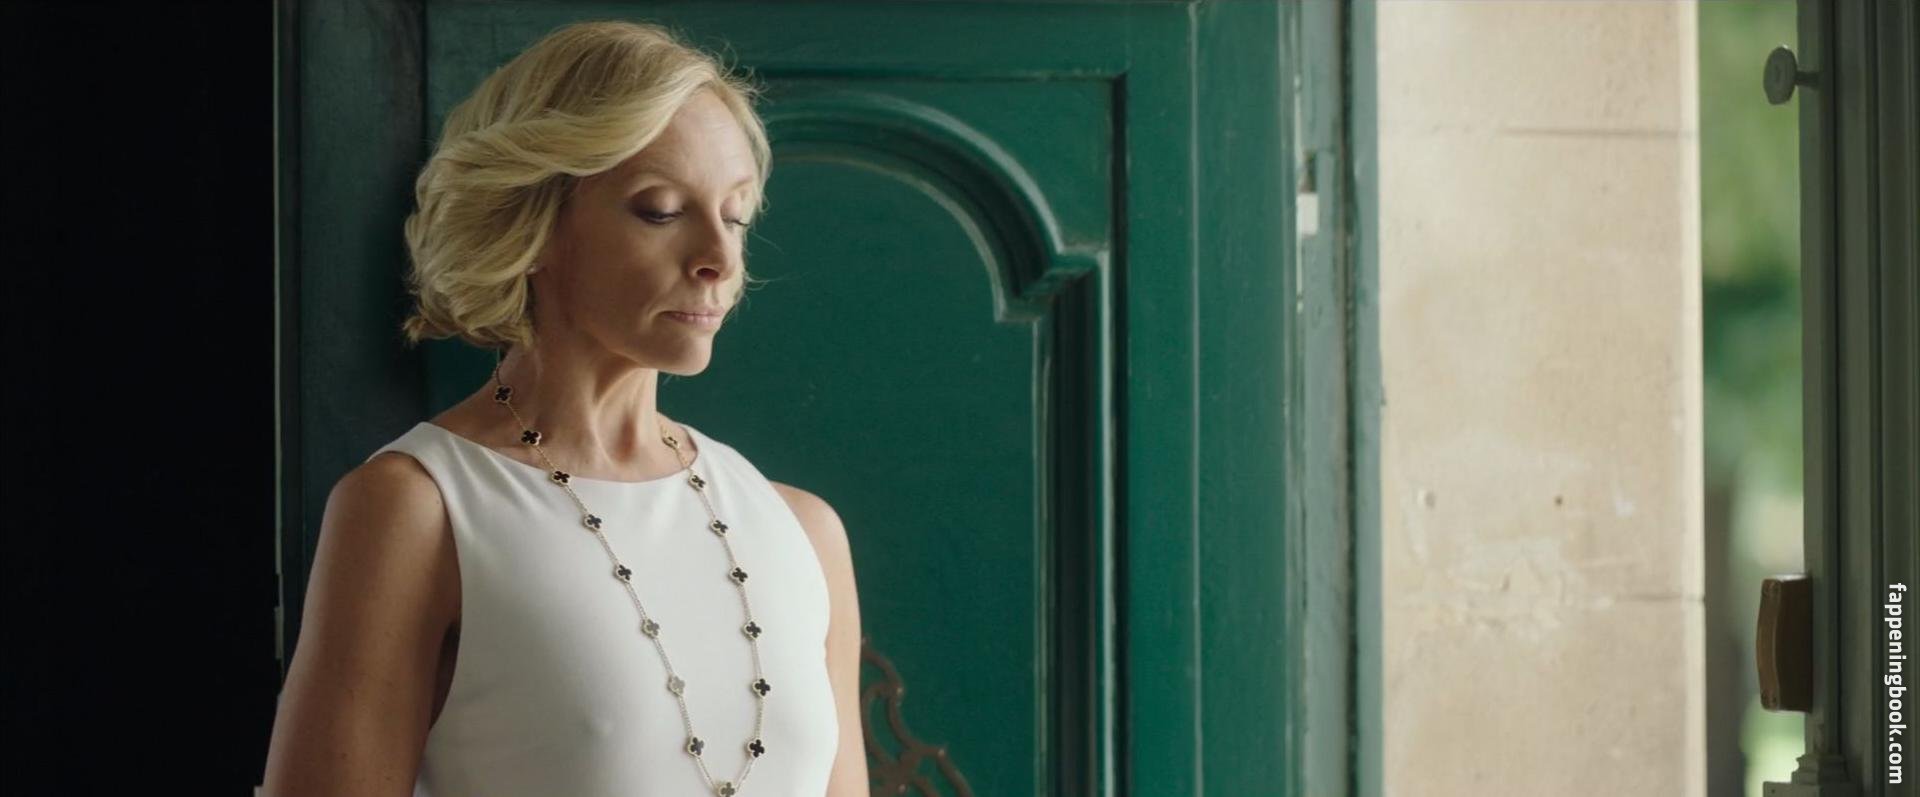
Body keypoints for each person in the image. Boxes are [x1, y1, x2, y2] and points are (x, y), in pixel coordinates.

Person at [261, 20, 868, 797]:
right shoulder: (417, 511)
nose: (719, 258)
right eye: (660, 210)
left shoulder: (803, 531)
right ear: (536, 222)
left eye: (736, 214)